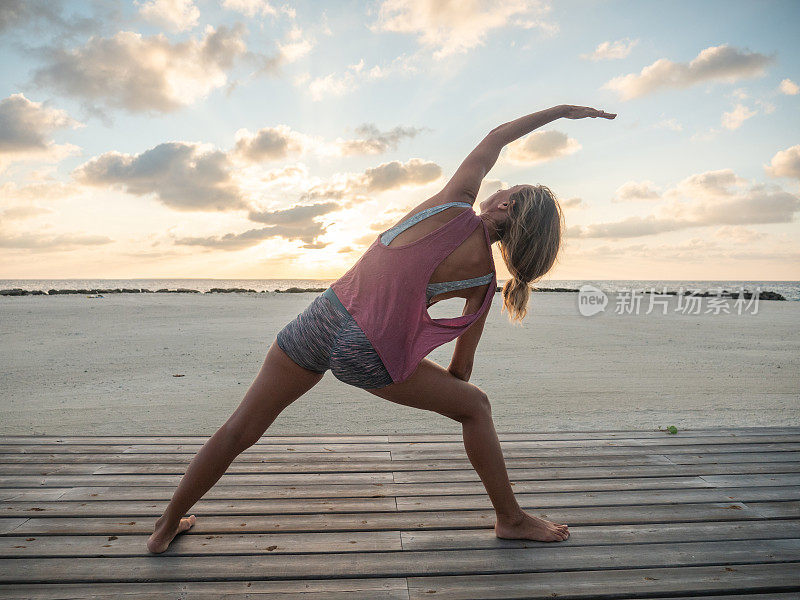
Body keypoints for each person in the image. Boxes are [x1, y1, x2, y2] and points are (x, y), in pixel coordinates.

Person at [147, 104, 616, 554]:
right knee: (476, 408)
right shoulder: (486, 283)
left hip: (320, 317)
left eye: (506, 188)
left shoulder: (453, 206)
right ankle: (510, 519)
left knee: (239, 429)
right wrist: (415, 361)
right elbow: (461, 375)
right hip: (366, 349)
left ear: (506, 202)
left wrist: (560, 112)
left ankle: (166, 525)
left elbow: (496, 138)